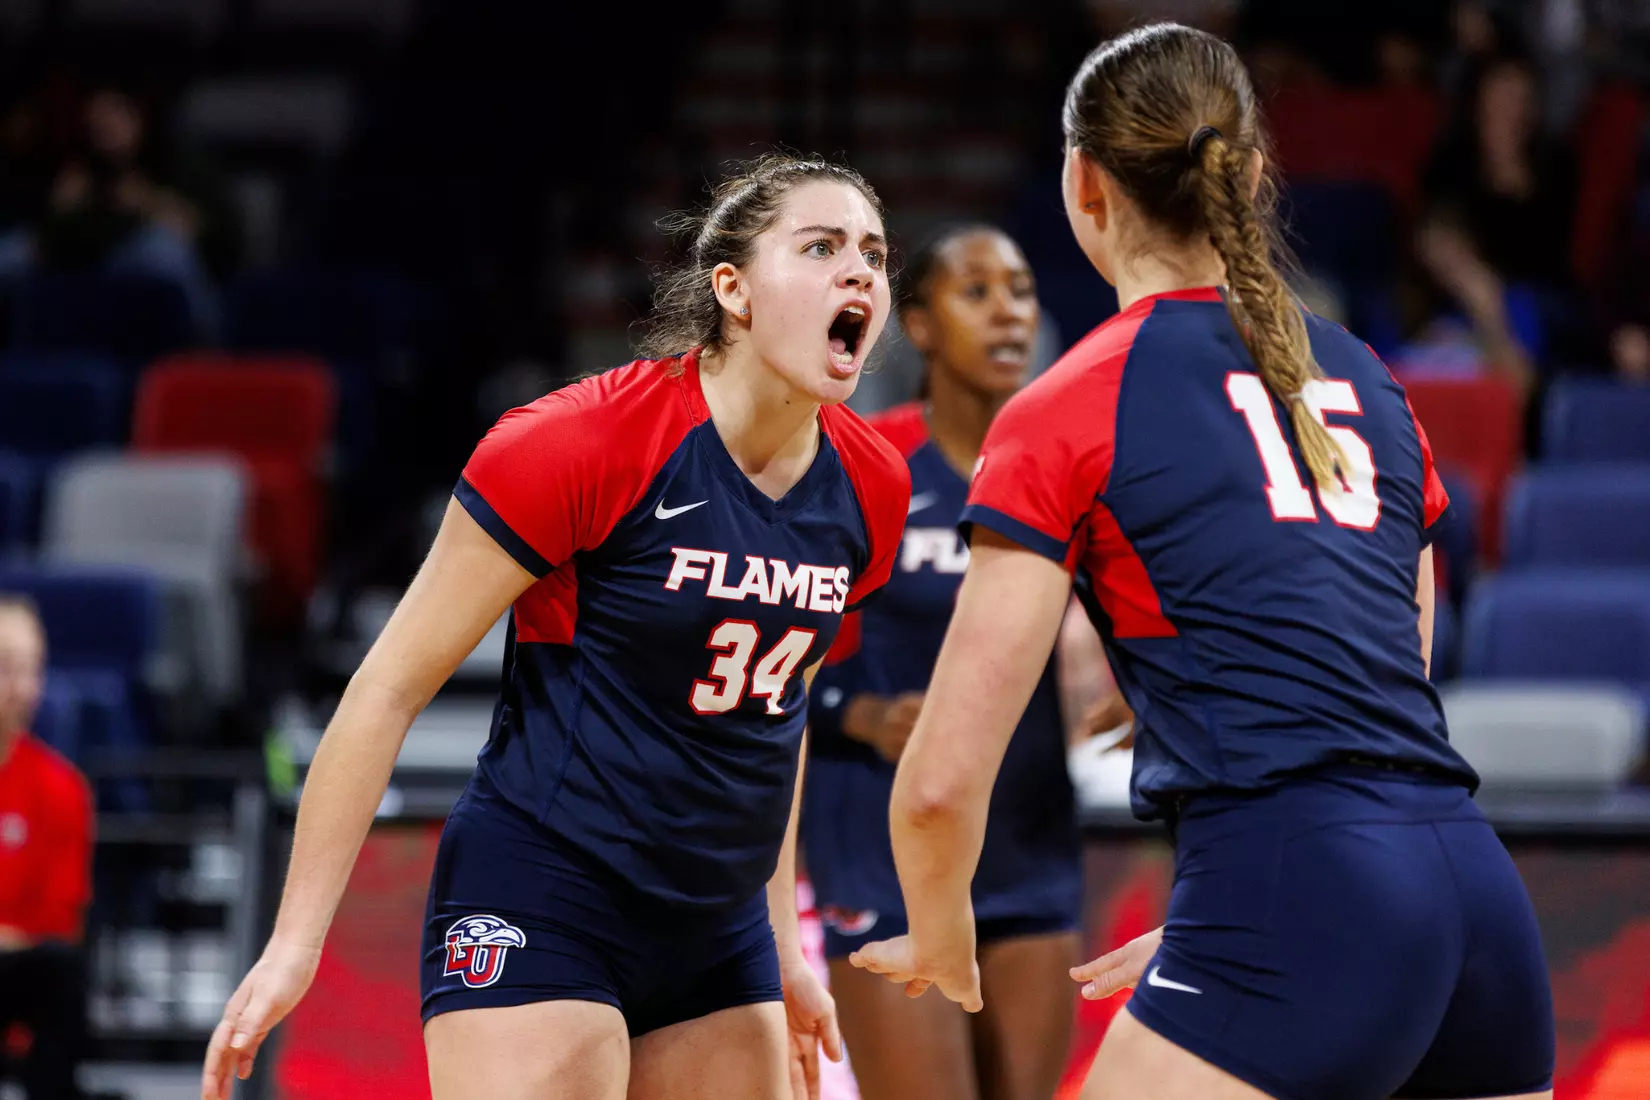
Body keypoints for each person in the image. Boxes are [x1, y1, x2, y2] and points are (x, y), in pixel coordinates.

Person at [851, 22, 1555, 1100]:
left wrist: (941, 941)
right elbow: (1386, 682)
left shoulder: (1071, 402)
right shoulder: (1369, 376)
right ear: (1254, 173)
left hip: (1296, 889)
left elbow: (941, 782)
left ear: (1083, 185)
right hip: (1476, 897)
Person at [202, 153, 912, 1100]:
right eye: (821, 247)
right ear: (733, 291)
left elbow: (775, 719)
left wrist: (785, 944)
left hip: (719, 921)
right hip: (548, 890)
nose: (860, 270)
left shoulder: (874, 485)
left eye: (873, 251)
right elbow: (386, 688)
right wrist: (294, 945)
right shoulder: (578, 443)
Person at [801, 225, 1089, 1100]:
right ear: (919, 326)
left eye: (1022, 290)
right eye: (977, 292)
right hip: (880, 846)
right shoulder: (864, 459)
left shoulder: (1068, 468)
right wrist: (854, 710)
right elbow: (769, 640)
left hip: (1026, 839)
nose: (1009, 313)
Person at [0, 596, 96, 1100]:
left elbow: (59, 918)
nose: (23, 688)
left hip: (15, 966)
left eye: (32, 670)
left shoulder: (62, 786)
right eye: (6, 669)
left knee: (61, 968)